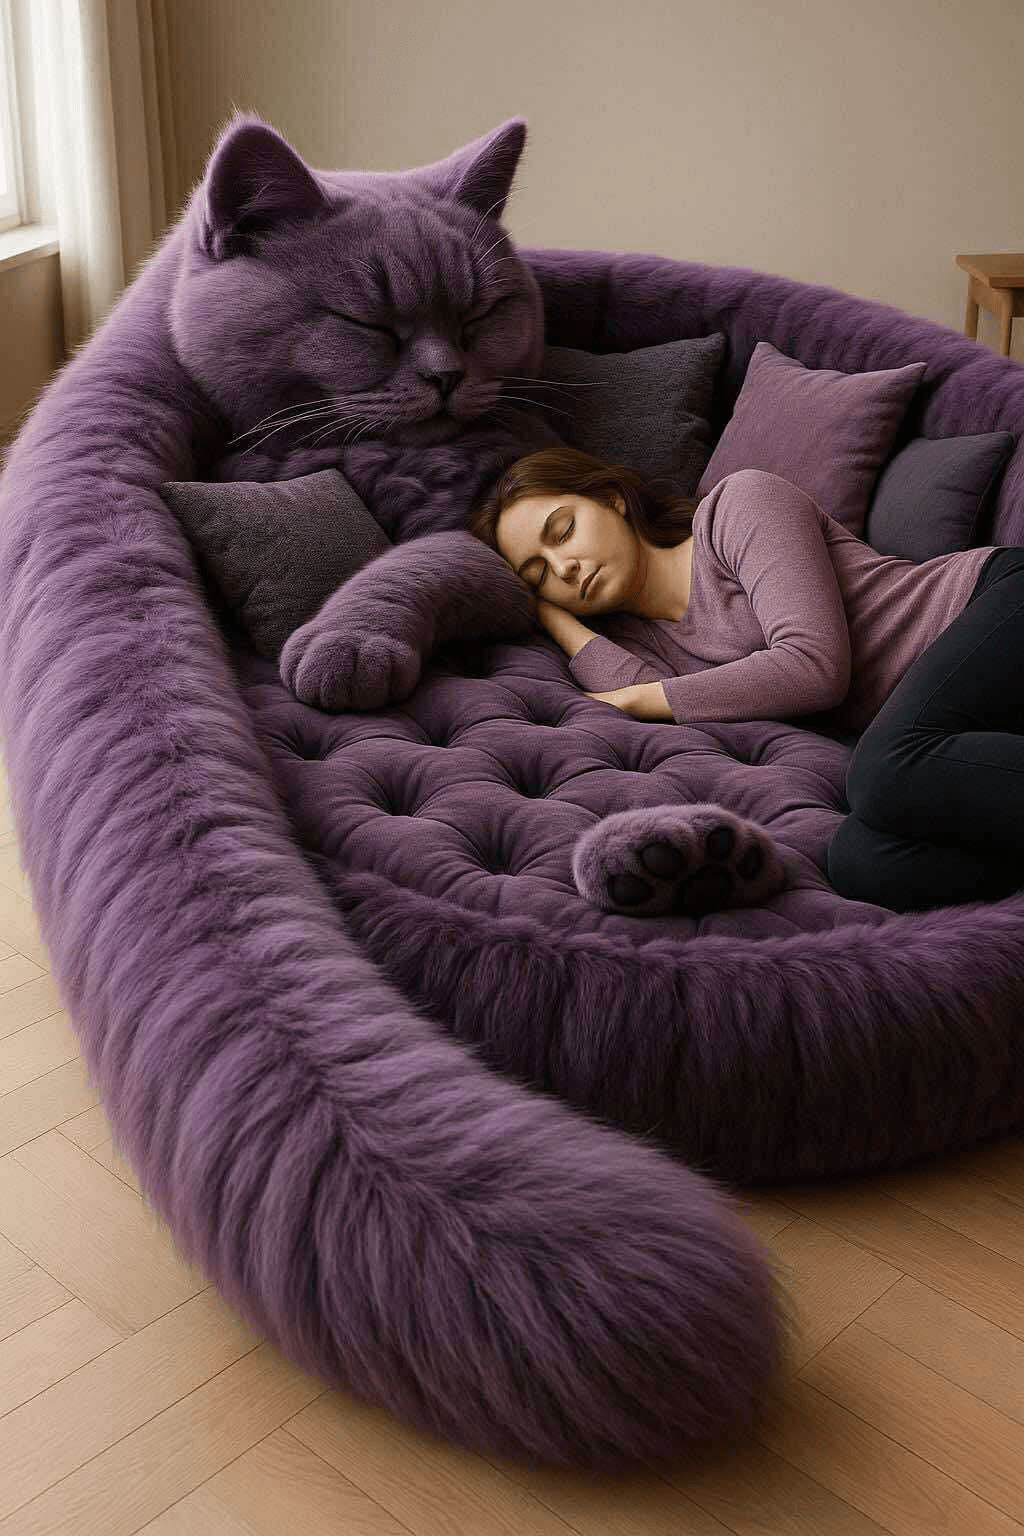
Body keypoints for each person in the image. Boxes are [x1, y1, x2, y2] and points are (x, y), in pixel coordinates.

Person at [467, 446, 1024, 916]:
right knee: (863, 862)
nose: (563, 567)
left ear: (612, 499)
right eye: (539, 574)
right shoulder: (654, 650)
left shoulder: (738, 505)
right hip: (963, 729)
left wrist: (644, 697)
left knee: (879, 774)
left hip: (995, 606)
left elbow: (814, 668)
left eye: (562, 531)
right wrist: (554, 619)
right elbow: (635, 696)